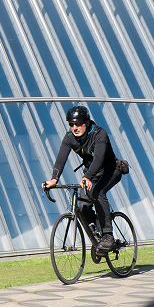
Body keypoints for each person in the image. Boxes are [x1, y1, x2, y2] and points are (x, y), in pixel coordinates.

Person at [44, 106, 122, 251]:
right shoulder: (69, 138)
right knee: (83, 207)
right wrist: (54, 179)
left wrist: (87, 177)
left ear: (86, 122)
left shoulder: (100, 134)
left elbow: (98, 158)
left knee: (97, 193)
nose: (75, 127)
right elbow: (61, 158)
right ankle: (97, 236)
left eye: (78, 123)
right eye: (71, 124)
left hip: (111, 170)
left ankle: (107, 235)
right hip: (91, 174)